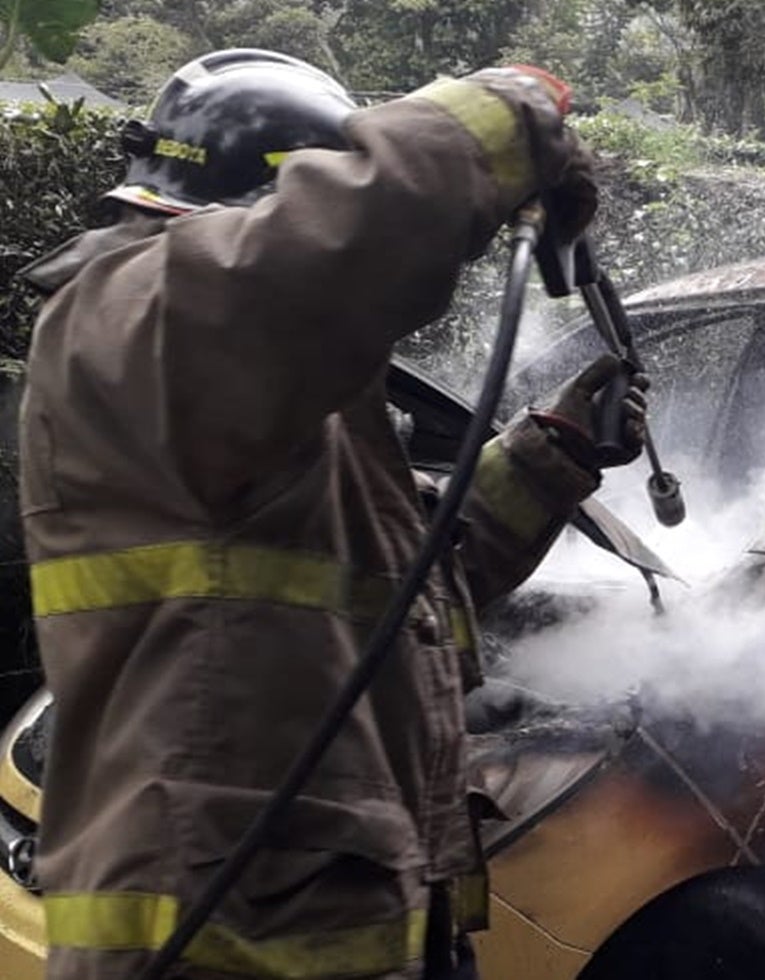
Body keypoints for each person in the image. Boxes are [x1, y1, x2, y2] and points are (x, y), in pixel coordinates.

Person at [17, 48, 644, 980]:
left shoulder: (253, 399)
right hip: (214, 949)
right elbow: (350, 236)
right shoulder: (129, 321)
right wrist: (503, 117)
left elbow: (417, 583)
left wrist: (553, 455)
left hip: (321, 936)